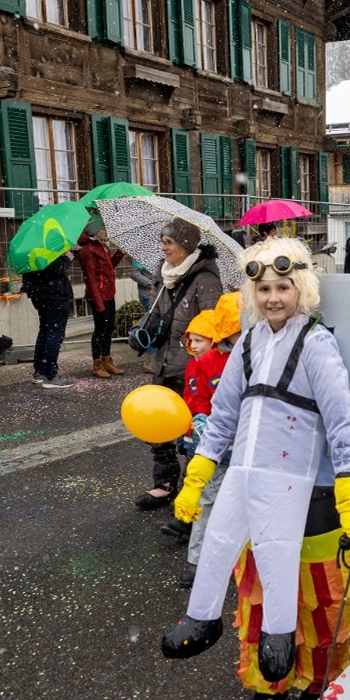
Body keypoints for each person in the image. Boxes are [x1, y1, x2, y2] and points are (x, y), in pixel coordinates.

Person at [161, 238, 350, 700]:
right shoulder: (249, 343)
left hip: (306, 488)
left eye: (283, 287)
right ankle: (234, 650)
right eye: (264, 289)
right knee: (237, 564)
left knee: (310, 588)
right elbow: (223, 416)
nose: (273, 297)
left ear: (301, 289)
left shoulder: (316, 343)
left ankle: (313, 678)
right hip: (244, 476)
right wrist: (198, 473)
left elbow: (342, 420)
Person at [133, 219, 223, 510]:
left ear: (185, 245)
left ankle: (190, 489)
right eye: (162, 241)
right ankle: (164, 483)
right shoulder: (163, 274)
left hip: (192, 369)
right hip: (162, 363)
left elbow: (212, 325)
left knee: (192, 432)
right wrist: (140, 330)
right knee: (157, 426)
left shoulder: (205, 279)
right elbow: (155, 314)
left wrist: (195, 345)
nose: (163, 248)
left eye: (168, 242)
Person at [163, 293, 242, 585]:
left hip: (256, 447)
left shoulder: (268, 355)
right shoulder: (210, 361)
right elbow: (202, 397)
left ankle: (245, 562)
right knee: (208, 500)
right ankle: (199, 560)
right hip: (221, 446)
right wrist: (200, 421)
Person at [76, 215, 126, 378]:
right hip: (98, 295)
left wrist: (120, 253)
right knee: (100, 330)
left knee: (108, 328)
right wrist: (98, 302)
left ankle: (106, 361)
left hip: (108, 293)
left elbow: (109, 267)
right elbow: (90, 279)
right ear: (95, 230)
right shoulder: (87, 250)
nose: (106, 231)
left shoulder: (102, 246)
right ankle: (97, 364)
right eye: (103, 228)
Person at [22, 250, 75, 389]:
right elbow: (56, 268)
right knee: (54, 334)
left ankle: (40, 371)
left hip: (39, 294)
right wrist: (67, 258)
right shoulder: (49, 246)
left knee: (45, 331)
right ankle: (50, 375)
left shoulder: (30, 248)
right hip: (55, 294)